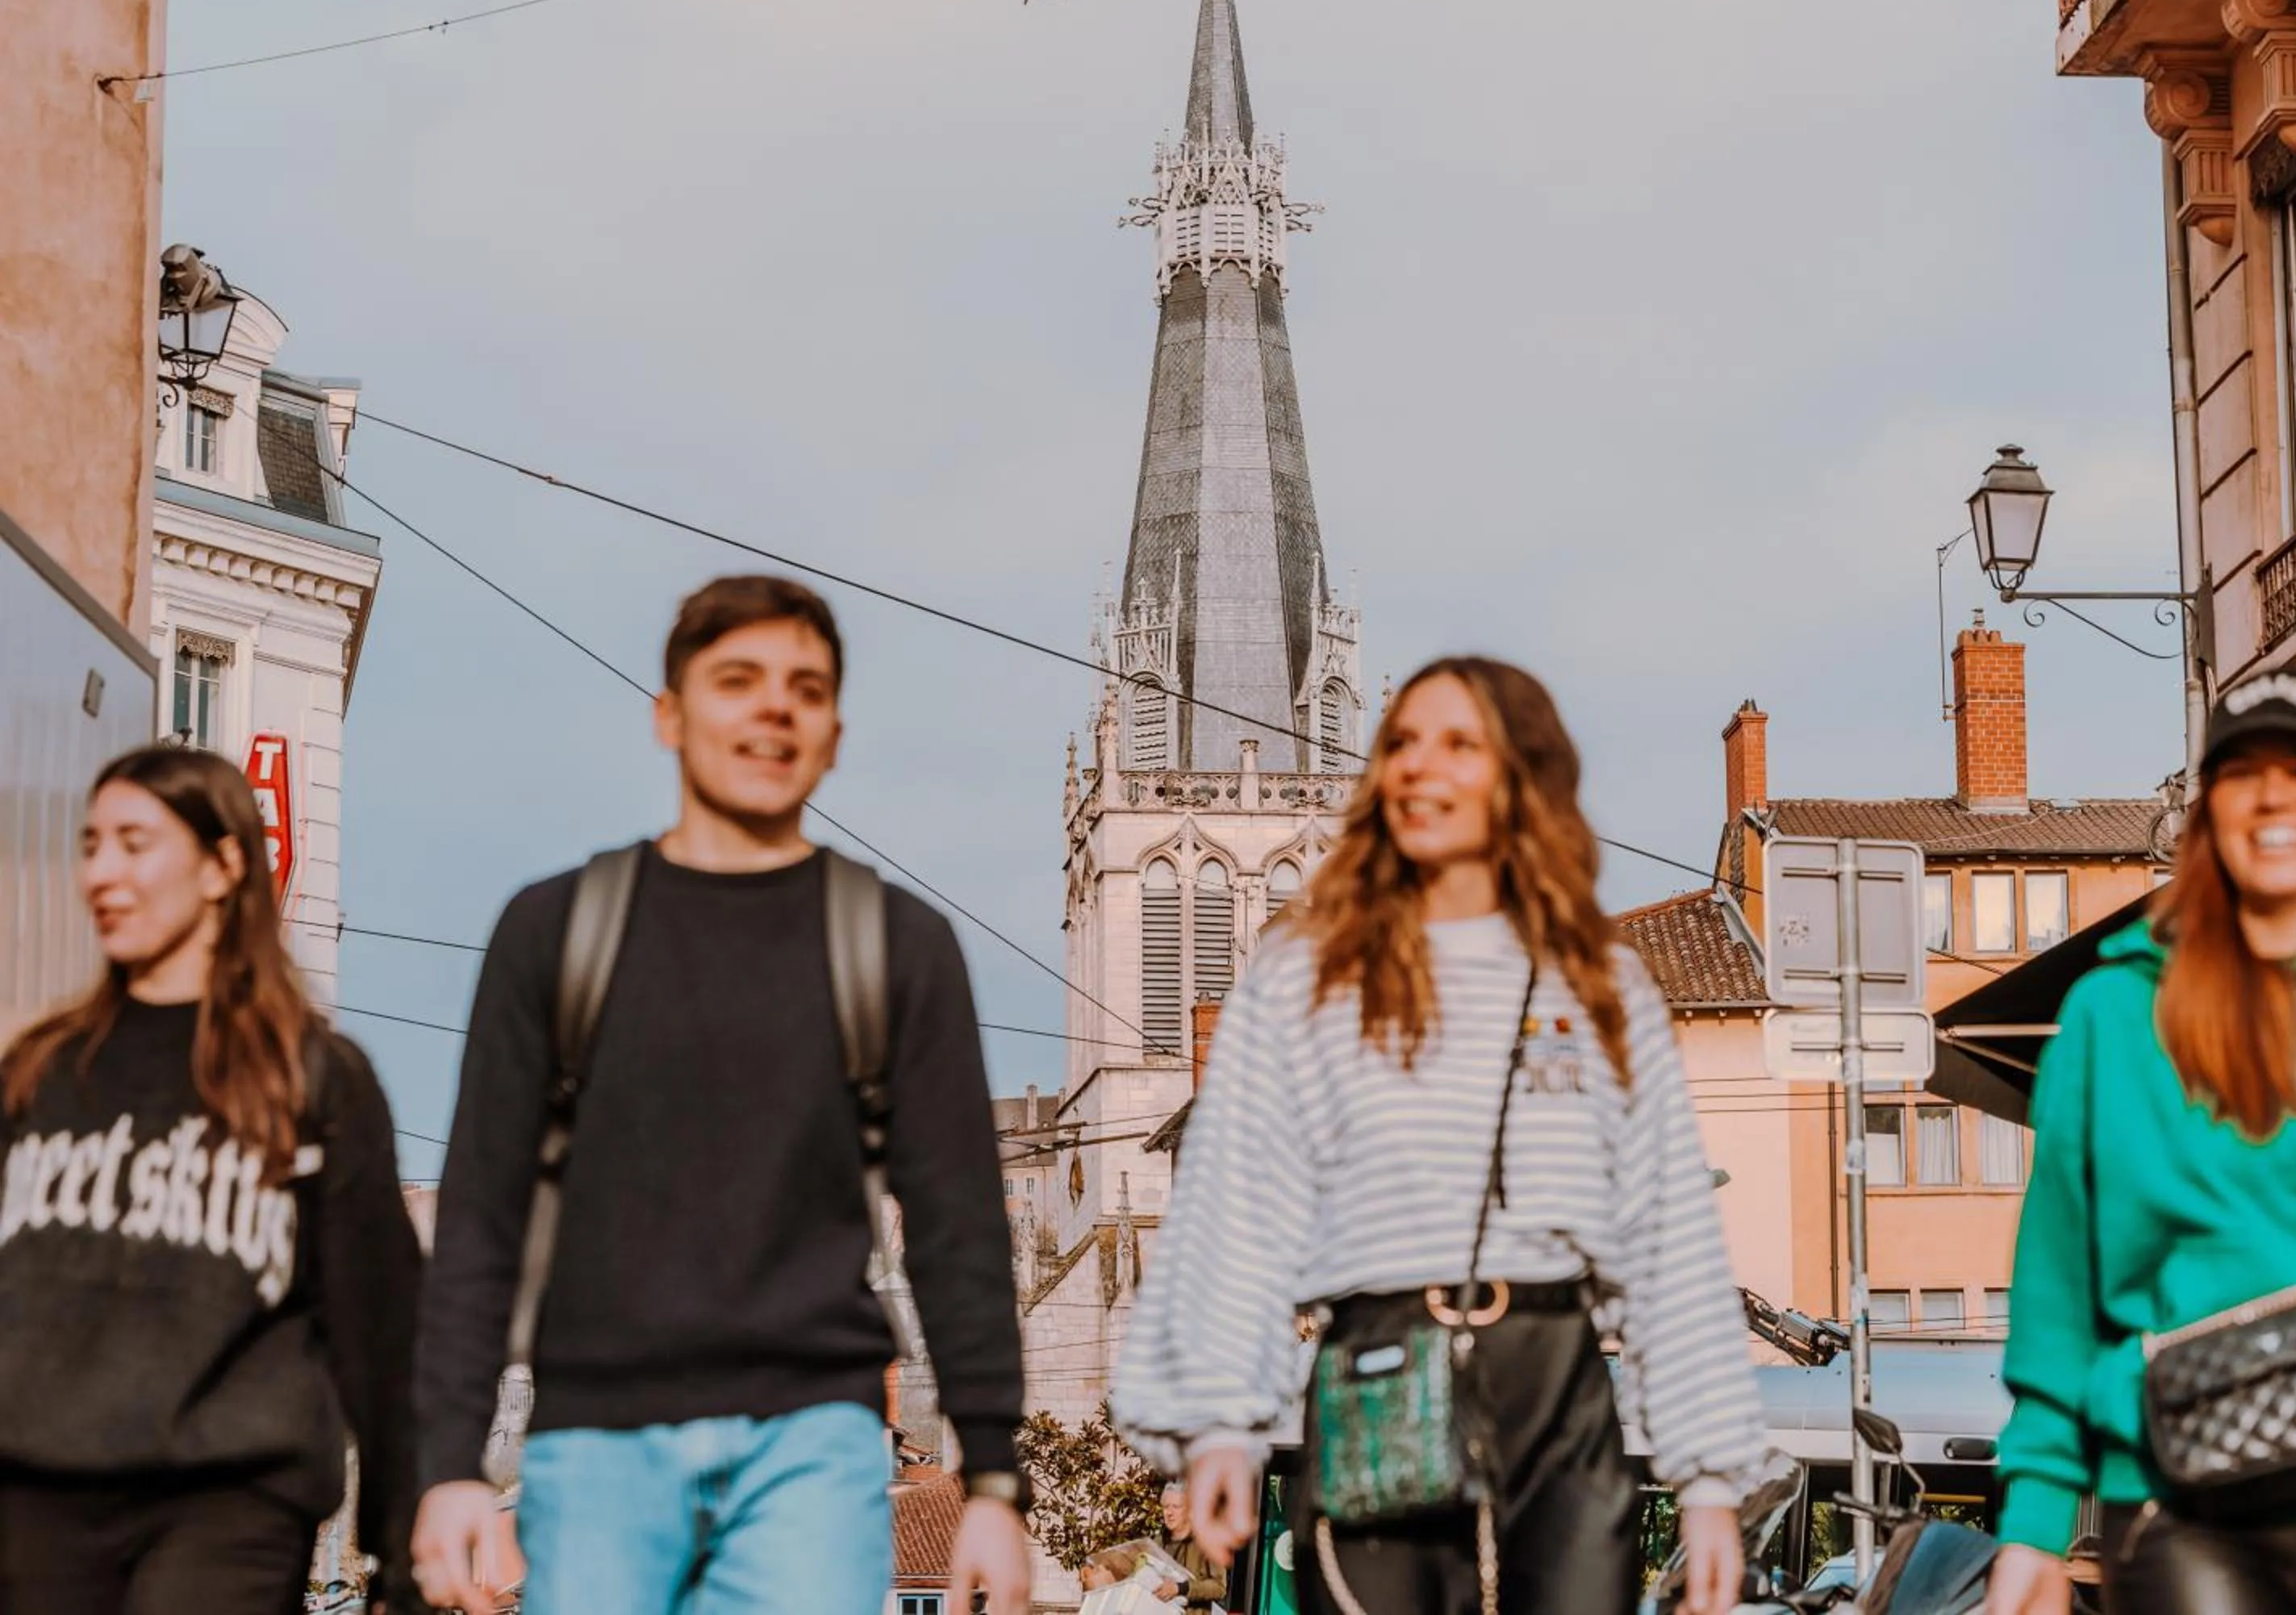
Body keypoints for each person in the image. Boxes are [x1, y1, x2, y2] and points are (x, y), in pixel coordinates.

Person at [410, 574, 1029, 1615]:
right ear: (669, 715)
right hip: (596, 1445)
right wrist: (449, 1462)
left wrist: (997, 1482)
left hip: (813, 1453)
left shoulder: (897, 950)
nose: (774, 707)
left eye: (806, 687)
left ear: (833, 733)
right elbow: (480, 1220)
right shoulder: (555, 936)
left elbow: (962, 1227)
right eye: (737, 679)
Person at [1113, 656, 1763, 1615]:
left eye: (1459, 743)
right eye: (1404, 744)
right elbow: (1236, 1210)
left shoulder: (1594, 980)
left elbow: (1669, 1234)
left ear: (1520, 776)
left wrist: (1710, 1482)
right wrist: (1218, 1422)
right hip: (1378, 1371)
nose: (1421, 766)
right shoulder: (1304, 974)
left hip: (1555, 1383)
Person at [1985, 669, 2296, 1615]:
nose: (2274, 793)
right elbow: (2061, 1285)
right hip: (2177, 1498)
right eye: (2241, 770)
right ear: (2209, 811)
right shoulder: (2115, 1014)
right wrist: (2034, 1521)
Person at [0, 745, 428, 1614]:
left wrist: (398, 1554)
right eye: (91, 844)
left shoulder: (314, 1078)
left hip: (229, 1499)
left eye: (133, 842)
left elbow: (381, 1326)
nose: (101, 873)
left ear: (222, 865)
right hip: (38, 1493)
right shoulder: (41, 1071)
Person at [1158, 1481, 1229, 1609]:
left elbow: (1219, 1587)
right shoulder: (1157, 1542)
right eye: (1166, 1507)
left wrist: (1181, 1588)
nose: (1169, 1513)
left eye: (1176, 1507)